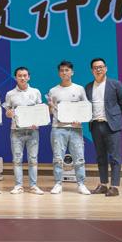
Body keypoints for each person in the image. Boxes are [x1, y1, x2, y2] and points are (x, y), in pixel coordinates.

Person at [85, 58, 122, 197]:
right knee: (100, 157)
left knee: (115, 157)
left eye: (101, 67)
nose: (98, 69)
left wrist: (114, 117)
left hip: (111, 126)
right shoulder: (88, 87)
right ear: (92, 70)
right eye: (95, 67)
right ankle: (103, 184)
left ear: (106, 68)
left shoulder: (115, 84)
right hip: (95, 125)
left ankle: (114, 186)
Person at [47, 60, 91, 195]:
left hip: (75, 129)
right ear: (59, 73)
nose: (64, 72)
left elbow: (85, 107)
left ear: (72, 72)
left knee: (79, 158)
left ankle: (81, 184)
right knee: (57, 158)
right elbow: (50, 112)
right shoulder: (53, 91)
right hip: (58, 128)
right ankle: (58, 183)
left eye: (67, 70)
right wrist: (49, 106)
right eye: (62, 70)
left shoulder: (79, 89)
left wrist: (80, 120)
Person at [4, 67, 44, 195]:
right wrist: (9, 113)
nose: (22, 78)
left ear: (29, 77)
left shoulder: (36, 92)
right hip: (16, 131)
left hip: (33, 131)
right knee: (17, 159)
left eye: (25, 75)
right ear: (15, 77)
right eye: (19, 75)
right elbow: (7, 112)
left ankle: (33, 186)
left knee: (33, 159)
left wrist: (37, 122)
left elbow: (39, 110)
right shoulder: (10, 94)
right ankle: (18, 186)